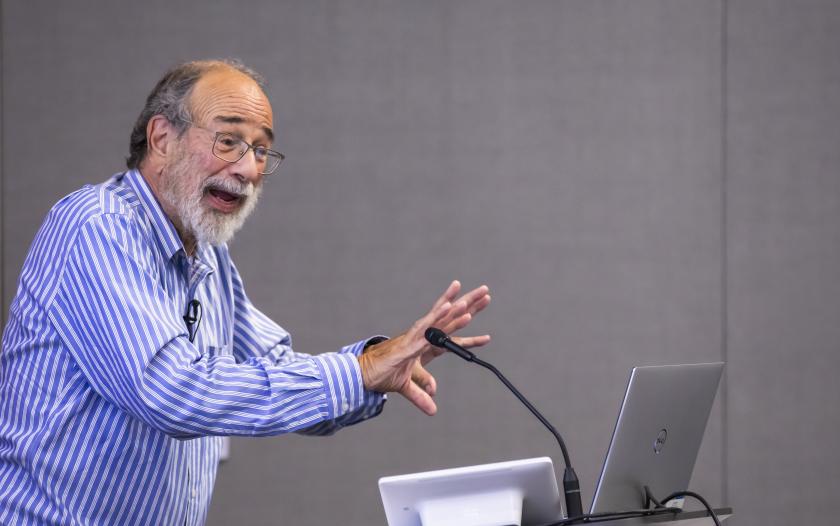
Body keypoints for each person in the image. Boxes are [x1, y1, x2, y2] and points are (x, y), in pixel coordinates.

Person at [0, 59, 491, 525]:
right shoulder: (98, 227)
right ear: (162, 138)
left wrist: (378, 366)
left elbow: (276, 372)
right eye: (229, 140)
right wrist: (356, 372)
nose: (249, 169)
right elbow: (171, 391)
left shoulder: (207, 254)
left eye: (261, 150)